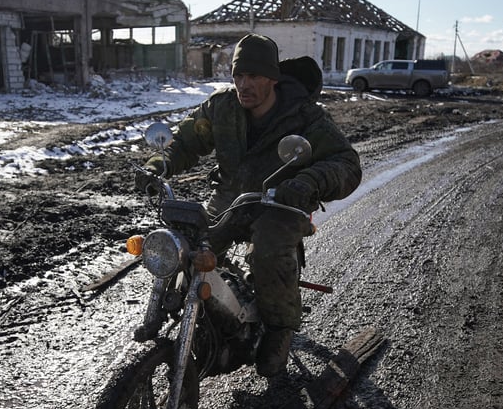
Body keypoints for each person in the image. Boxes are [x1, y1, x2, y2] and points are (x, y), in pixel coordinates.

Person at [137, 33, 362, 377]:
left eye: (254, 76)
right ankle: (195, 315)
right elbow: (186, 140)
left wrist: (307, 182)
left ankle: (278, 329)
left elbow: (346, 164)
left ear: (273, 78)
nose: (245, 85)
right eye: (239, 76)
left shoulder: (304, 116)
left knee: (269, 252)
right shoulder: (221, 107)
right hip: (230, 198)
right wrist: (161, 164)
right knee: (188, 246)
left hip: (282, 203)